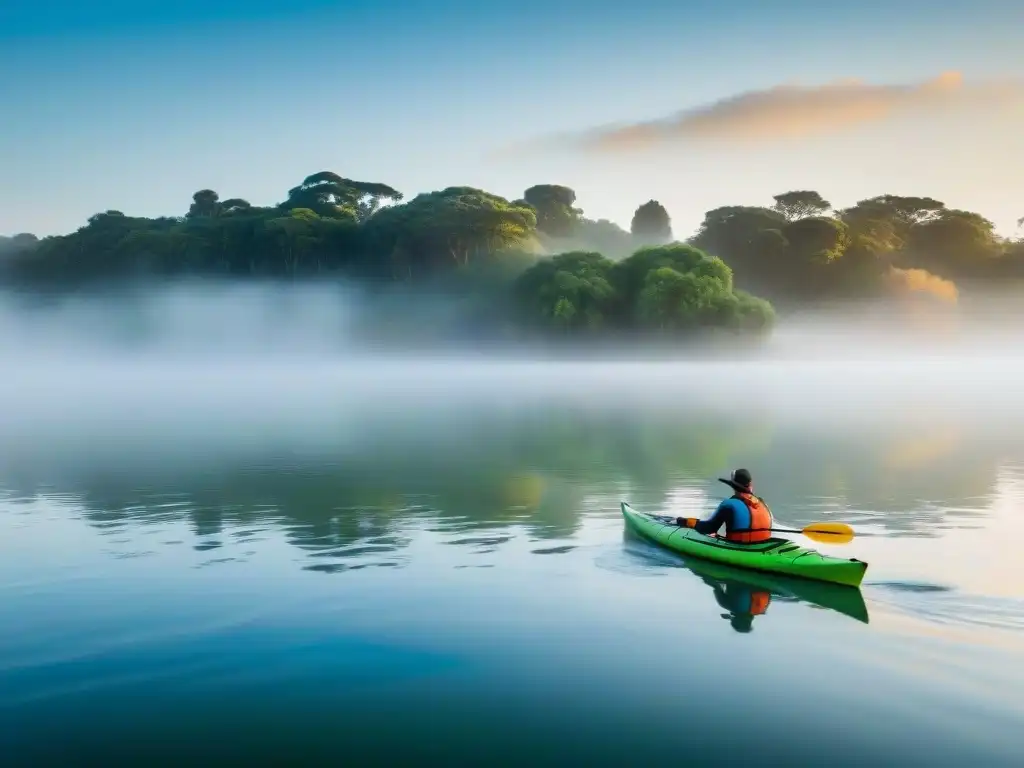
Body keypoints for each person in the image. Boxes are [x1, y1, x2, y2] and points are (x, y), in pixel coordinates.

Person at [675, 468, 774, 543]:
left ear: (733, 486)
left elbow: (709, 528)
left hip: (740, 548)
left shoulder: (728, 505)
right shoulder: (762, 503)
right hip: (762, 545)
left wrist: (685, 521)